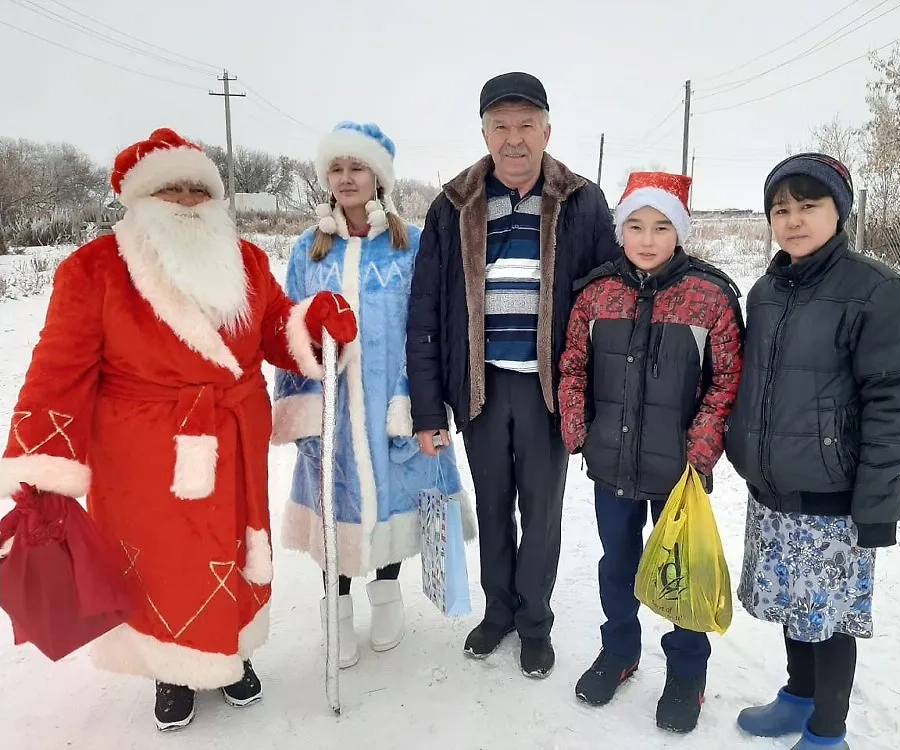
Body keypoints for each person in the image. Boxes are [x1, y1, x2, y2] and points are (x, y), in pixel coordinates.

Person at [0, 128, 358, 731]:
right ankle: (172, 670)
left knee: (234, 555)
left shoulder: (245, 259)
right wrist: (42, 469)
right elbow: (58, 370)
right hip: (144, 455)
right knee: (163, 564)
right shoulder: (93, 269)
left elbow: (272, 326)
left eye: (199, 187)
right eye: (172, 189)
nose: (189, 199)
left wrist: (311, 321)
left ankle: (234, 652)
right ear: (139, 199)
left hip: (233, 439)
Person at [406, 71, 620, 678]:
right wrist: (428, 410)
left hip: (547, 390)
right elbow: (426, 309)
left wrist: (598, 398)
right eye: (501, 126)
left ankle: (535, 621)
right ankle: (499, 609)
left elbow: (606, 303)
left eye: (527, 125)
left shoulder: (582, 202)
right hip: (480, 386)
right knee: (494, 505)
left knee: (543, 511)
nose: (514, 138)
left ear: (547, 130)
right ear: (484, 132)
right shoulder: (454, 206)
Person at [726, 153, 900, 750]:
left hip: (835, 494)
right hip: (775, 485)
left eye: (808, 205)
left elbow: (894, 402)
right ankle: (798, 697)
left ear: (839, 210)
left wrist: (877, 498)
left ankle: (827, 732)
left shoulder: (875, 290)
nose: (793, 220)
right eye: (780, 209)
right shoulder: (766, 290)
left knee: (830, 619)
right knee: (796, 605)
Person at [271, 121, 475, 669]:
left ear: (379, 176)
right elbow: (287, 331)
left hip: (393, 401)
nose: (346, 178)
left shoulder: (409, 248)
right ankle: (334, 612)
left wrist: (415, 401)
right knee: (331, 505)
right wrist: (299, 409)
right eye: (335, 168)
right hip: (331, 409)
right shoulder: (306, 252)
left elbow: (425, 326)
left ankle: (387, 596)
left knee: (395, 499)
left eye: (356, 167)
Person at [558, 171, 744, 732]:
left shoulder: (710, 297)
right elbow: (572, 367)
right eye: (635, 225)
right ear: (621, 229)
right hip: (610, 462)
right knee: (616, 565)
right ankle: (619, 651)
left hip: (679, 471)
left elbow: (727, 380)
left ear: (680, 232)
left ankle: (687, 672)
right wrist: (579, 431)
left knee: (679, 573)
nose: (647, 238)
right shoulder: (595, 295)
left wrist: (701, 448)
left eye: (661, 226)